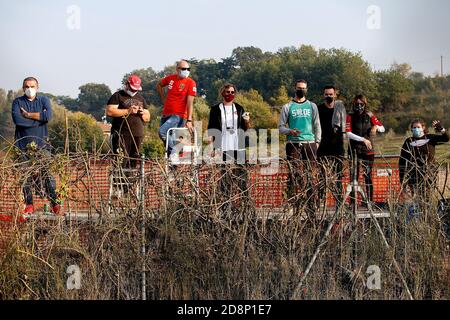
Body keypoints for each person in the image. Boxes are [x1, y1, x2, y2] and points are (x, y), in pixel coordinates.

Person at [11, 76, 62, 216]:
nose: (29, 89)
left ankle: (54, 204)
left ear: (37, 87)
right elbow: (18, 120)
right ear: (23, 88)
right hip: (22, 146)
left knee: (48, 174)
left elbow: (48, 117)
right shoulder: (17, 101)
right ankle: (29, 204)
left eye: (32, 86)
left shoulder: (43, 100)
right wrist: (38, 119)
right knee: (25, 177)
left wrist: (27, 115)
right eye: (27, 86)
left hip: (42, 145)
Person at [279, 79, 322, 216]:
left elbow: (317, 125)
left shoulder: (312, 106)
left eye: (303, 88)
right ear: (295, 88)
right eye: (299, 88)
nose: (301, 90)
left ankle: (311, 204)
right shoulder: (287, 106)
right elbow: (281, 128)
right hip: (293, 143)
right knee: (294, 174)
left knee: (311, 174)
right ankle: (292, 203)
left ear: (306, 90)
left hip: (310, 143)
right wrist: (290, 131)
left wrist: (317, 141)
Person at [346, 94, 385, 205]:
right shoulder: (350, 116)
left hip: (368, 150)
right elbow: (348, 133)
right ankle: (353, 202)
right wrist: (363, 139)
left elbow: (382, 128)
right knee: (354, 176)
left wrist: (375, 127)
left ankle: (369, 201)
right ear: (353, 104)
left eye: (361, 104)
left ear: (365, 104)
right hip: (354, 149)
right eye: (357, 103)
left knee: (368, 175)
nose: (359, 106)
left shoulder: (370, 115)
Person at [106, 75, 150, 168]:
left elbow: (147, 117)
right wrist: (127, 111)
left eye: (136, 89)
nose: (134, 91)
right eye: (132, 89)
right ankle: (119, 182)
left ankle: (130, 182)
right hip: (121, 134)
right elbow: (110, 111)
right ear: (127, 84)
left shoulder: (141, 98)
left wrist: (142, 113)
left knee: (133, 161)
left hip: (137, 135)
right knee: (121, 161)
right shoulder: (117, 96)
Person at [156, 60, 197, 157]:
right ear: (177, 69)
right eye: (183, 69)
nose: (186, 71)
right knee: (168, 140)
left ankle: (179, 148)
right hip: (166, 114)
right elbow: (159, 85)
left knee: (162, 132)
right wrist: (163, 98)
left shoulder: (190, 83)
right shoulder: (171, 78)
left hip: (178, 116)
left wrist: (189, 120)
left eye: (188, 69)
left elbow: (190, 102)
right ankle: (173, 165)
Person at [399, 119, 449, 196]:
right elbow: (402, 161)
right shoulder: (409, 141)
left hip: (429, 173)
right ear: (411, 129)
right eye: (414, 127)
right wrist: (403, 180)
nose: (416, 129)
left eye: (418, 127)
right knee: (417, 196)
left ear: (423, 128)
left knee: (427, 195)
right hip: (414, 174)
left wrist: (440, 128)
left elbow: (446, 138)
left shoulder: (430, 138)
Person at [317, 85, 347, 203]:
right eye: (326, 94)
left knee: (338, 175)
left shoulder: (340, 108)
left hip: (337, 146)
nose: (329, 96)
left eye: (331, 94)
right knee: (321, 175)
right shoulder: (319, 109)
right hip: (323, 146)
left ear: (335, 95)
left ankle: (338, 200)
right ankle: (320, 200)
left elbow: (345, 126)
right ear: (323, 95)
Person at [207, 83, 250, 163]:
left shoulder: (239, 108)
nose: (230, 94)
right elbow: (211, 128)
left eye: (232, 92)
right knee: (224, 170)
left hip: (238, 144)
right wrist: (211, 146)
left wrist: (247, 121)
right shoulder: (215, 109)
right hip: (222, 144)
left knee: (241, 171)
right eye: (228, 92)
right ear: (223, 93)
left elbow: (245, 128)